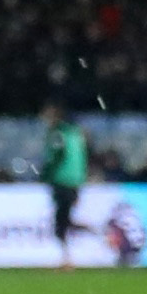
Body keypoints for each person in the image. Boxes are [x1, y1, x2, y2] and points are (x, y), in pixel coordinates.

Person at [37, 102, 85, 267]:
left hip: (61, 180)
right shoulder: (76, 133)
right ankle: (67, 257)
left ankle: (66, 259)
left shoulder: (57, 133)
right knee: (66, 217)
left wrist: (45, 174)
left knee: (61, 220)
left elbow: (57, 155)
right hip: (76, 180)